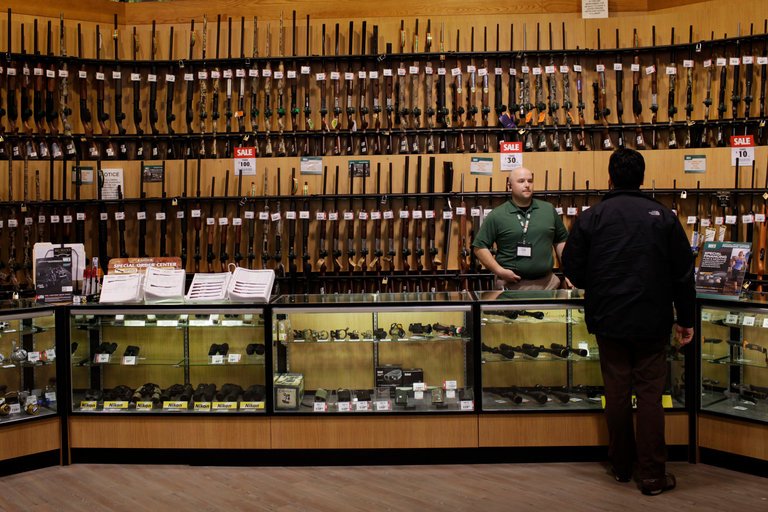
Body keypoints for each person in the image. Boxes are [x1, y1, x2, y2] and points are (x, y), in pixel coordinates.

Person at [561, 148, 696, 496]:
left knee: (617, 392)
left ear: (609, 178)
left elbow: (573, 269)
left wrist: (602, 284)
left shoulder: (593, 217)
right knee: (650, 396)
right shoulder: (662, 216)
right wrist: (686, 319)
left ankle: (621, 465)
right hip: (652, 319)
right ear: (642, 179)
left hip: (608, 318)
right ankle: (651, 475)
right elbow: (683, 274)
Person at [472, 167, 568, 290]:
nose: (527, 185)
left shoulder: (548, 210)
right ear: (509, 186)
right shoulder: (497, 215)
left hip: (548, 284)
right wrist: (500, 271)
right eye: (521, 181)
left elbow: (561, 242)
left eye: (530, 181)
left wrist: (569, 272)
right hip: (511, 285)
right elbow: (479, 247)